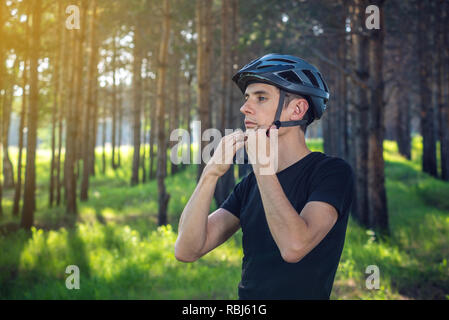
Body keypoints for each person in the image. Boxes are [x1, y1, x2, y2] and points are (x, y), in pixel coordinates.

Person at [174, 53, 355, 300]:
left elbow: (294, 247)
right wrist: (210, 173)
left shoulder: (331, 172)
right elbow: (187, 250)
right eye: (247, 98)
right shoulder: (249, 185)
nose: (244, 107)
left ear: (297, 109)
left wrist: (263, 166)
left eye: (261, 98)